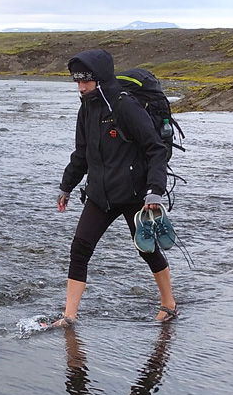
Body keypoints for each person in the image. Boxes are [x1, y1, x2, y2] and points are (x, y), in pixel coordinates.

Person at [50, 48, 177, 327]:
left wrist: (154, 190)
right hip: (99, 195)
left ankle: (168, 304)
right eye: (77, 81)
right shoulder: (86, 108)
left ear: (100, 78)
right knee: (80, 249)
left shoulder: (124, 105)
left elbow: (155, 149)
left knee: (147, 249)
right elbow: (81, 155)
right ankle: (69, 317)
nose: (81, 87)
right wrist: (66, 186)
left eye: (86, 81)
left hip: (133, 195)